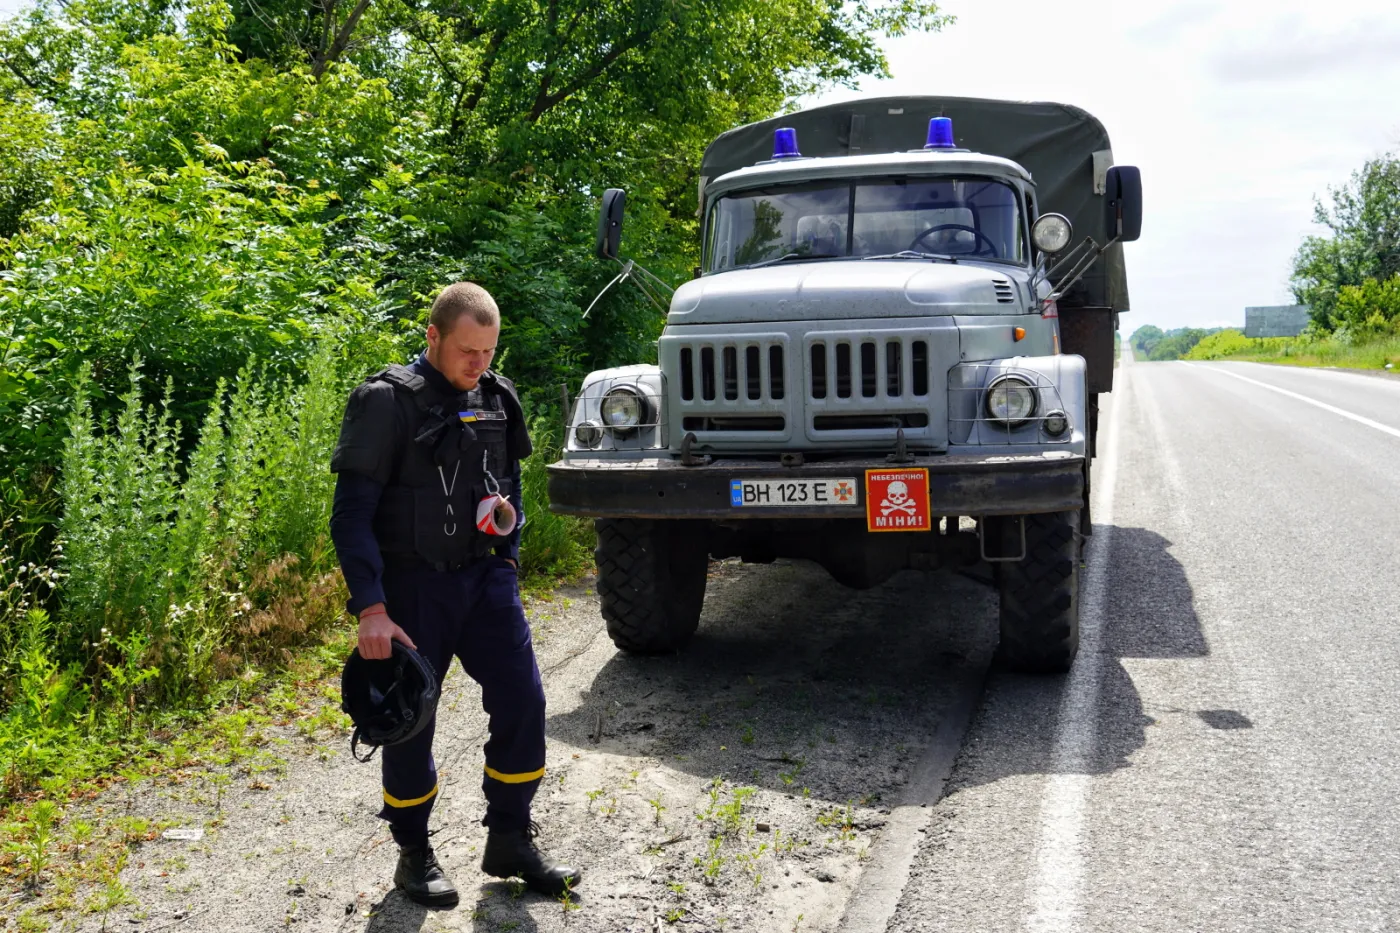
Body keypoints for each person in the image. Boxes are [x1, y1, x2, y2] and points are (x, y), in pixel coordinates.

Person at [329, 282, 581, 907]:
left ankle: (510, 838)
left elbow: (510, 480)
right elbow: (351, 516)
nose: (478, 363)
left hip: (485, 580)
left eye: (488, 351)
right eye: (468, 351)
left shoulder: (496, 397)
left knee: (524, 700)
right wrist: (371, 608)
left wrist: (508, 559)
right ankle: (413, 852)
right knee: (410, 719)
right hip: (411, 589)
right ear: (433, 336)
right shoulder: (385, 402)